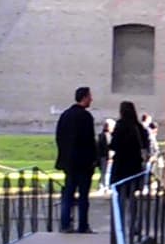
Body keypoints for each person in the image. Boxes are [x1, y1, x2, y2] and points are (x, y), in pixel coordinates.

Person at [53, 87, 100, 233]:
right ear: (84, 97)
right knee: (83, 196)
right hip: (83, 164)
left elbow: (59, 137)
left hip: (69, 163)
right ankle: (83, 225)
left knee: (68, 194)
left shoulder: (65, 115)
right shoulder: (85, 117)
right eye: (90, 96)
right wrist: (94, 159)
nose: (91, 99)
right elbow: (89, 141)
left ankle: (65, 225)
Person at [107, 101, 154, 217]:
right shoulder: (138, 127)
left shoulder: (120, 126)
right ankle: (134, 223)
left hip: (121, 165)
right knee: (132, 195)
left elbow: (113, 145)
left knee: (121, 195)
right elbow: (145, 144)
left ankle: (120, 222)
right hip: (135, 165)